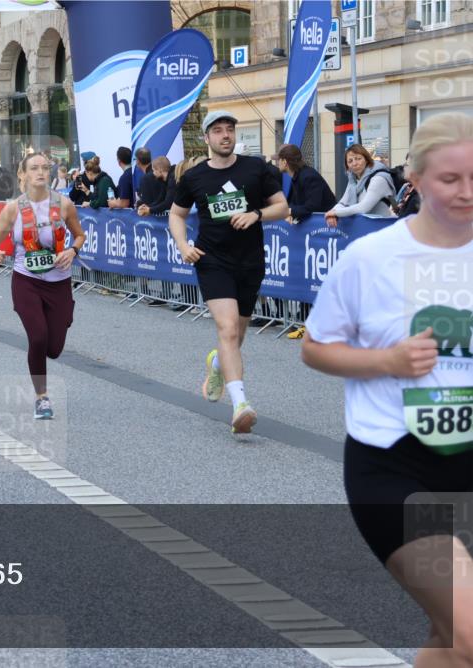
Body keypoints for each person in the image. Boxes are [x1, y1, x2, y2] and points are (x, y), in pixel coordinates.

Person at [302, 112, 473, 668]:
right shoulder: (369, 259)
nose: (466, 192)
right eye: (451, 179)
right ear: (415, 182)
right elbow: (315, 347)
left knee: (451, 637)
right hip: (400, 470)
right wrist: (388, 360)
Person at [168, 110, 288, 434]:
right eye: (218, 131)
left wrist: (257, 215)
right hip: (212, 259)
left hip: (249, 261)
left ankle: (218, 363)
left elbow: (283, 206)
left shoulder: (256, 168)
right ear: (206, 138)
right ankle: (240, 404)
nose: (225, 135)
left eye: (230, 130)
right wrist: (183, 245)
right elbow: (176, 215)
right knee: (228, 328)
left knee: (238, 334)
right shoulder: (193, 177)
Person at [0, 153, 85, 420]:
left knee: (53, 348)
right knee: (38, 337)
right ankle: (41, 398)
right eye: (34, 168)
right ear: (23, 175)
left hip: (59, 282)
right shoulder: (13, 208)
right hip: (26, 280)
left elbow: (80, 235)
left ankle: (63, 314)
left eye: (45, 167)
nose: (41, 172)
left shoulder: (64, 205)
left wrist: (72, 251)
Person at [326, 144, 396, 224]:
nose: (355, 163)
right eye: (350, 161)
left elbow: (363, 208)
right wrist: (332, 214)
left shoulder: (379, 179)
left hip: (382, 227)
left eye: (358, 159)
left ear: (366, 160)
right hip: (364, 228)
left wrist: (336, 213)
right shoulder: (353, 181)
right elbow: (343, 203)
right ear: (347, 166)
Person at [276, 143, 336, 224]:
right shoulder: (298, 176)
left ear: (284, 161)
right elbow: (293, 203)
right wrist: (291, 213)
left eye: (278, 159)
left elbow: (312, 206)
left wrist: (290, 211)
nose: (277, 163)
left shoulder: (308, 176)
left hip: (327, 227)